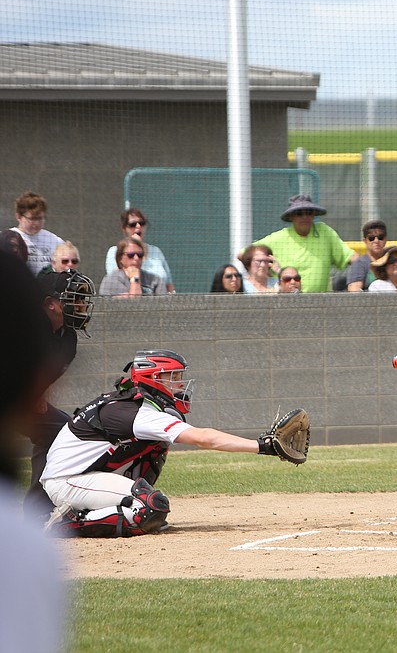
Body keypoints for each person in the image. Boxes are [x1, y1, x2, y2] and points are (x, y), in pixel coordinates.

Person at [41, 350, 304, 538]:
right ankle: (66, 523)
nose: (180, 384)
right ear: (152, 379)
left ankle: (123, 509)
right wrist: (263, 446)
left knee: (157, 446)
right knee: (152, 507)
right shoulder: (135, 412)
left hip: (83, 476)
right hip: (67, 480)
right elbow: (204, 439)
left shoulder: (137, 405)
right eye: (172, 377)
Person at [0, 254, 69, 653]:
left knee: (61, 430)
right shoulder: (23, 552)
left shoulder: (68, 334)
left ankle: (37, 503)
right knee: (62, 431)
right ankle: (37, 505)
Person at [23, 269, 97, 522]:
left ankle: (38, 511)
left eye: (81, 300)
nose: (80, 305)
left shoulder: (67, 339)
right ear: (50, 304)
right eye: (73, 299)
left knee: (63, 433)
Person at [251, 195, 356, 293]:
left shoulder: (324, 232)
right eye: (299, 213)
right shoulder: (278, 238)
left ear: (313, 215)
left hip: (319, 303)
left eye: (309, 212)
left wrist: (362, 276)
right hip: (285, 303)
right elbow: (243, 254)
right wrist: (265, 274)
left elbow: (352, 258)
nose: (304, 216)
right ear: (291, 216)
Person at [103, 208, 175, 294]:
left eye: (141, 223)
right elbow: (115, 281)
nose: (138, 226)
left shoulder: (156, 251)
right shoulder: (114, 251)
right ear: (124, 228)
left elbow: (169, 284)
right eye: (133, 224)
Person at [10, 192, 65, 276]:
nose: (36, 223)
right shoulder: (6, 238)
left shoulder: (55, 241)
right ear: (18, 217)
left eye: (40, 218)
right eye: (32, 219)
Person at [99, 236, 164, 296]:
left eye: (140, 255)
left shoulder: (155, 280)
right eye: (131, 255)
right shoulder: (111, 280)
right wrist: (135, 279)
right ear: (120, 258)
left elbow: (164, 304)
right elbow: (133, 304)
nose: (136, 258)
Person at [346, 220, 389, 291]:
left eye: (380, 237)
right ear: (365, 241)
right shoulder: (359, 264)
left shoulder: (392, 260)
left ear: (386, 239)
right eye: (371, 238)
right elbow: (354, 292)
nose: (376, 241)